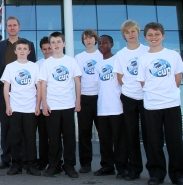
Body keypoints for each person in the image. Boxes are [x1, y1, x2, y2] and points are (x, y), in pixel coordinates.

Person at [137, 22, 183, 185]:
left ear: (163, 36)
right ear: (145, 38)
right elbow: (142, 82)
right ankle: (156, 174)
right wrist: (154, 93)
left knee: (175, 141)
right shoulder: (143, 58)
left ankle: (178, 175)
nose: (154, 38)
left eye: (157, 34)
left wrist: (167, 92)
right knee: (154, 142)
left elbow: (177, 79)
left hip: (172, 103)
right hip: (152, 105)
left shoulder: (173, 55)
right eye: (150, 35)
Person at [0, 16, 36, 169]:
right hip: (4, 89)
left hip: (25, 91)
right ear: (6, 28)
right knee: (6, 126)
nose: (12, 28)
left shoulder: (27, 44)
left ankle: (24, 160)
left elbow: (33, 68)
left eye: (14, 25)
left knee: (25, 129)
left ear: (19, 27)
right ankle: (6, 159)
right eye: (9, 25)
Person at [40, 31, 81, 178]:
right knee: (54, 138)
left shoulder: (71, 61)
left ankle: (69, 166)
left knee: (69, 138)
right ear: (50, 45)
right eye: (53, 42)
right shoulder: (46, 63)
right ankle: (54, 166)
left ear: (64, 43)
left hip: (68, 105)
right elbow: (43, 84)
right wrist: (44, 104)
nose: (56, 44)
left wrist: (78, 101)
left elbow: (77, 81)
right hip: (52, 106)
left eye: (59, 41)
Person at [113, 19, 149, 181]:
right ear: (124, 35)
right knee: (131, 134)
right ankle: (134, 169)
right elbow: (119, 77)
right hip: (128, 98)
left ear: (138, 32)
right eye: (127, 32)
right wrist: (130, 89)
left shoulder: (148, 51)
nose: (130, 34)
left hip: (148, 97)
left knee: (150, 135)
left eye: (133, 31)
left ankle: (155, 171)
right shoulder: (121, 54)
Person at [1, 38, 41, 176]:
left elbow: (39, 87)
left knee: (30, 138)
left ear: (29, 51)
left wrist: (38, 105)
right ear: (15, 50)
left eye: (25, 49)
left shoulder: (34, 67)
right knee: (15, 138)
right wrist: (8, 105)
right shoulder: (10, 67)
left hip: (30, 108)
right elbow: (6, 87)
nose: (22, 51)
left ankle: (31, 165)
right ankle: (15, 165)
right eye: (20, 48)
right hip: (15, 107)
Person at [93, 35, 127, 178]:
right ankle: (107, 166)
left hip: (117, 106)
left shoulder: (118, 60)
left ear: (111, 44)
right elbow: (98, 85)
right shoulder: (97, 64)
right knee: (105, 140)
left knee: (119, 139)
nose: (102, 45)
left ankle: (122, 168)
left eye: (105, 43)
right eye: (100, 43)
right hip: (102, 108)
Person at [74, 29, 103, 173]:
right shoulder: (79, 57)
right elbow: (77, 80)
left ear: (95, 39)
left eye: (91, 37)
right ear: (83, 41)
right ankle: (85, 163)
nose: (88, 40)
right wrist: (78, 100)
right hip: (85, 97)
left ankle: (107, 164)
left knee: (104, 133)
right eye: (85, 38)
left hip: (101, 98)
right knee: (84, 133)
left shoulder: (103, 55)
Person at [35, 36, 52, 170]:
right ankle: (42, 160)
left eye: (49, 48)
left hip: (57, 105)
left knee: (55, 136)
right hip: (41, 105)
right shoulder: (37, 65)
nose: (47, 51)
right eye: (44, 49)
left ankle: (55, 161)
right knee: (43, 135)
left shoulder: (59, 62)